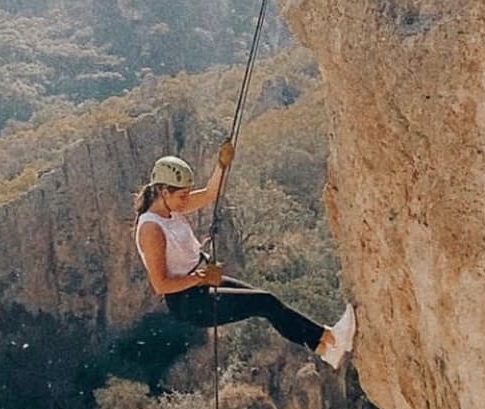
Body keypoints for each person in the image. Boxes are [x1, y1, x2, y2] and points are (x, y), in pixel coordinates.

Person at [134, 142, 356, 368]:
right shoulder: (151, 229)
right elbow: (160, 285)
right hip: (188, 303)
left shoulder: (172, 207)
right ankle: (331, 338)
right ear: (163, 192)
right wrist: (200, 277)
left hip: (200, 285)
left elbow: (210, 193)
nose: (186, 200)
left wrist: (221, 165)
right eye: (182, 195)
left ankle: (325, 349)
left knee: (267, 302)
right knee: (265, 302)